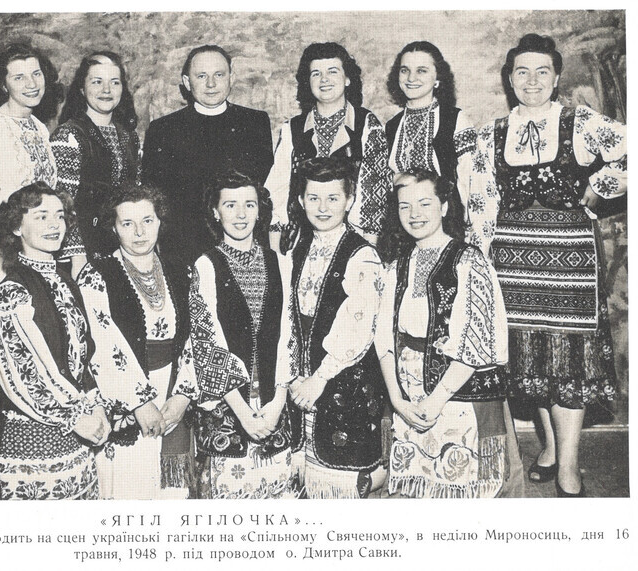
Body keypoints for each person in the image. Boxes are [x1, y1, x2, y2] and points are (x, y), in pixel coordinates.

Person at [473, 34, 625, 496]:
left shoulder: (580, 122)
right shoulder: (492, 133)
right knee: (529, 359)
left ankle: (569, 467)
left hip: (569, 262)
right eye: (522, 71)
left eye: (542, 71)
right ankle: (552, 448)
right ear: (510, 79)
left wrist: (599, 189)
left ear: (557, 77)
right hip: (512, 262)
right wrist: (479, 264)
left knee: (567, 363)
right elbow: (481, 200)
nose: (532, 80)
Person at [376, 170, 521, 498]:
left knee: (460, 492)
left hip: (456, 395)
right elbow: (382, 339)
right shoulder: (395, 267)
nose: (414, 214)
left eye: (425, 203)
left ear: (443, 206)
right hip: (408, 397)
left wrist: (435, 401)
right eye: (405, 206)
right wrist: (397, 401)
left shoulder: (470, 262)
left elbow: (476, 342)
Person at [0, 182, 108, 500]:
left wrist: (96, 408)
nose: (55, 225)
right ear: (16, 227)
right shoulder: (12, 291)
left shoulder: (66, 279)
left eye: (60, 216)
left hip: (76, 440)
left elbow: (82, 357)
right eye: (41, 217)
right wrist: (75, 416)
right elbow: (25, 374)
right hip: (32, 444)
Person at [77, 184, 199, 500]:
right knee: (129, 495)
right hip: (124, 396)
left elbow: (195, 335)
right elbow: (103, 343)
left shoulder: (180, 269)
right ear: (113, 227)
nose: (139, 232)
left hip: (172, 393)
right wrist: (140, 402)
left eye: (148, 220)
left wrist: (183, 396)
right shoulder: (97, 274)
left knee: (171, 498)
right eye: (127, 223)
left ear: (160, 222)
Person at [189, 172, 297, 499]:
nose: (240, 214)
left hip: (271, 407)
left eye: (249, 205)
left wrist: (277, 402)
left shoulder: (281, 263)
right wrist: (243, 412)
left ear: (260, 210)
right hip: (228, 408)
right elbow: (207, 344)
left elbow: (289, 335)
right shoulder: (205, 265)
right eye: (230, 205)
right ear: (214, 211)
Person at [286, 157, 388, 498]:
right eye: (313, 198)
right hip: (300, 382)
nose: (323, 207)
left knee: (338, 487)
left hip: (341, 380)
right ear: (300, 201)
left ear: (349, 199)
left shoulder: (362, 255)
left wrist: (320, 377)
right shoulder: (296, 248)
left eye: (333, 198)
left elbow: (357, 329)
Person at [142, 44, 274, 264]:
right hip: (184, 249)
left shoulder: (255, 123)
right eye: (201, 76)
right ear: (187, 82)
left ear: (231, 78)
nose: (211, 84)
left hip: (244, 245)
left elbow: (261, 189)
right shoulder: (164, 129)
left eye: (219, 75)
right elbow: (155, 197)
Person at [265, 42, 392, 251]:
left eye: (332, 71)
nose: (324, 80)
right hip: (300, 242)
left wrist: (368, 255)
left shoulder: (366, 124)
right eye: (316, 73)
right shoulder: (292, 129)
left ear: (348, 78)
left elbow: (374, 199)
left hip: (353, 241)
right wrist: (276, 255)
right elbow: (278, 193)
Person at [0, 43, 61, 296]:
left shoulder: (39, 127)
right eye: (19, 77)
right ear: (4, 84)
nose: (31, 84)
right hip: (4, 255)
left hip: (37, 249)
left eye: (36, 73)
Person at [51, 51, 140, 278]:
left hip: (123, 248)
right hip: (83, 254)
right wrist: (77, 257)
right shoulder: (69, 135)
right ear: (82, 88)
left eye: (114, 82)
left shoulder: (129, 136)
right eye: (97, 82)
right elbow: (63, 203)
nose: (106, 90)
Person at [384, 41, 477, 244]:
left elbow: (470, 181)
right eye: (405, 70)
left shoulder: (455, 120)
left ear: (437, 78)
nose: (411, 78)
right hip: (402, 231)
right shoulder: (391, 127)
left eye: (422, 71)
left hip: (448, 229)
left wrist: (470, 233)